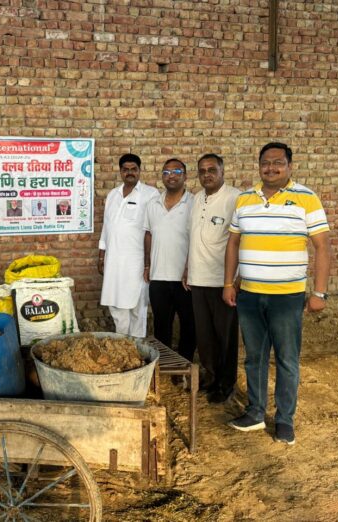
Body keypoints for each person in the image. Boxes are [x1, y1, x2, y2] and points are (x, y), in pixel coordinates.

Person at [224, 142, 330, 445]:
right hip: (250, 295)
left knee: (286, 359)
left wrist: (319, 293)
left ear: (290, 166)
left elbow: (323, 247)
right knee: (254, 358)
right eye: (265, 163)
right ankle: (256, 412)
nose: (271, 168)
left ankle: (284, 420)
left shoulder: (306, 199)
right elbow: (233, 243)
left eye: (278, 163)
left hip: (287, 297)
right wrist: (228, 283)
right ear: (258, 166)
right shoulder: (245, 199)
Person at [185, 154, 240, 403]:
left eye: (211, 169)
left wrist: (235, 280)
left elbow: (240, 241)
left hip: (222, 281)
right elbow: (192, 238)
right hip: (198, 279)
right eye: (202, 170)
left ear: (222, 171)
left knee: (225, 336)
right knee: (204, 336)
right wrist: (187, 269)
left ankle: (226, 384)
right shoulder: (196, 199)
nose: (206, 174)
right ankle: (210, 376)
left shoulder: (234, 198)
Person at [98, 153, 159, 337]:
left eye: (134, 169)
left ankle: (137, 346)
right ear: (120, 172)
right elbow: (107, 227)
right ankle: (121, 342)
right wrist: (101, 255)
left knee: (137, 306)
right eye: (126, 169)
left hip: (137, 261)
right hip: (113, 260)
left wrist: (149, 264)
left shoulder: (150, 194)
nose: (130, 173)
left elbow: (153, 230)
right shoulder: (113, 195)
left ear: (140, 171)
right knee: (115, 305)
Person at [144, 158, 195, 362]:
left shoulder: (194, 202)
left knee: (189, 326)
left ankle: (184, 366)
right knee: (161, 326)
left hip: (186, 278)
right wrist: (147, 264)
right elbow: (148, 234)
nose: (171, 175)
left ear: (185, 175)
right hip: (158, 276)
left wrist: (189, 267)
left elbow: (197, 238)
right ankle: (164, 365)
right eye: (166, 172)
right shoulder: (153, 204)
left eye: (176, 171)